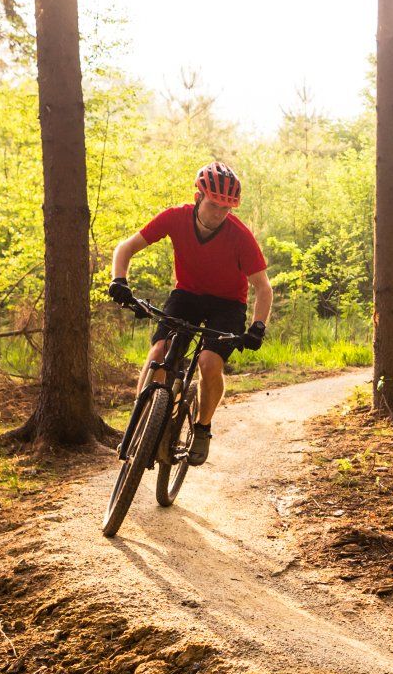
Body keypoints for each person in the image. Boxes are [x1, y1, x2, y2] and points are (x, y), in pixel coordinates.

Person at [107, 162, 273, 466]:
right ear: (198, 197)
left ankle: (202, 428)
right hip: (187, 296)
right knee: (161, 349)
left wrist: (257, 327)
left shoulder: (240, 236)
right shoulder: (175, 217)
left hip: (228, 304)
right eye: (213, 204)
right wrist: (119, 280)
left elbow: (263, 288)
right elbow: (126, 248)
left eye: (227, 208)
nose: (219, 213)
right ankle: (141, 417)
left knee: (209, 363)